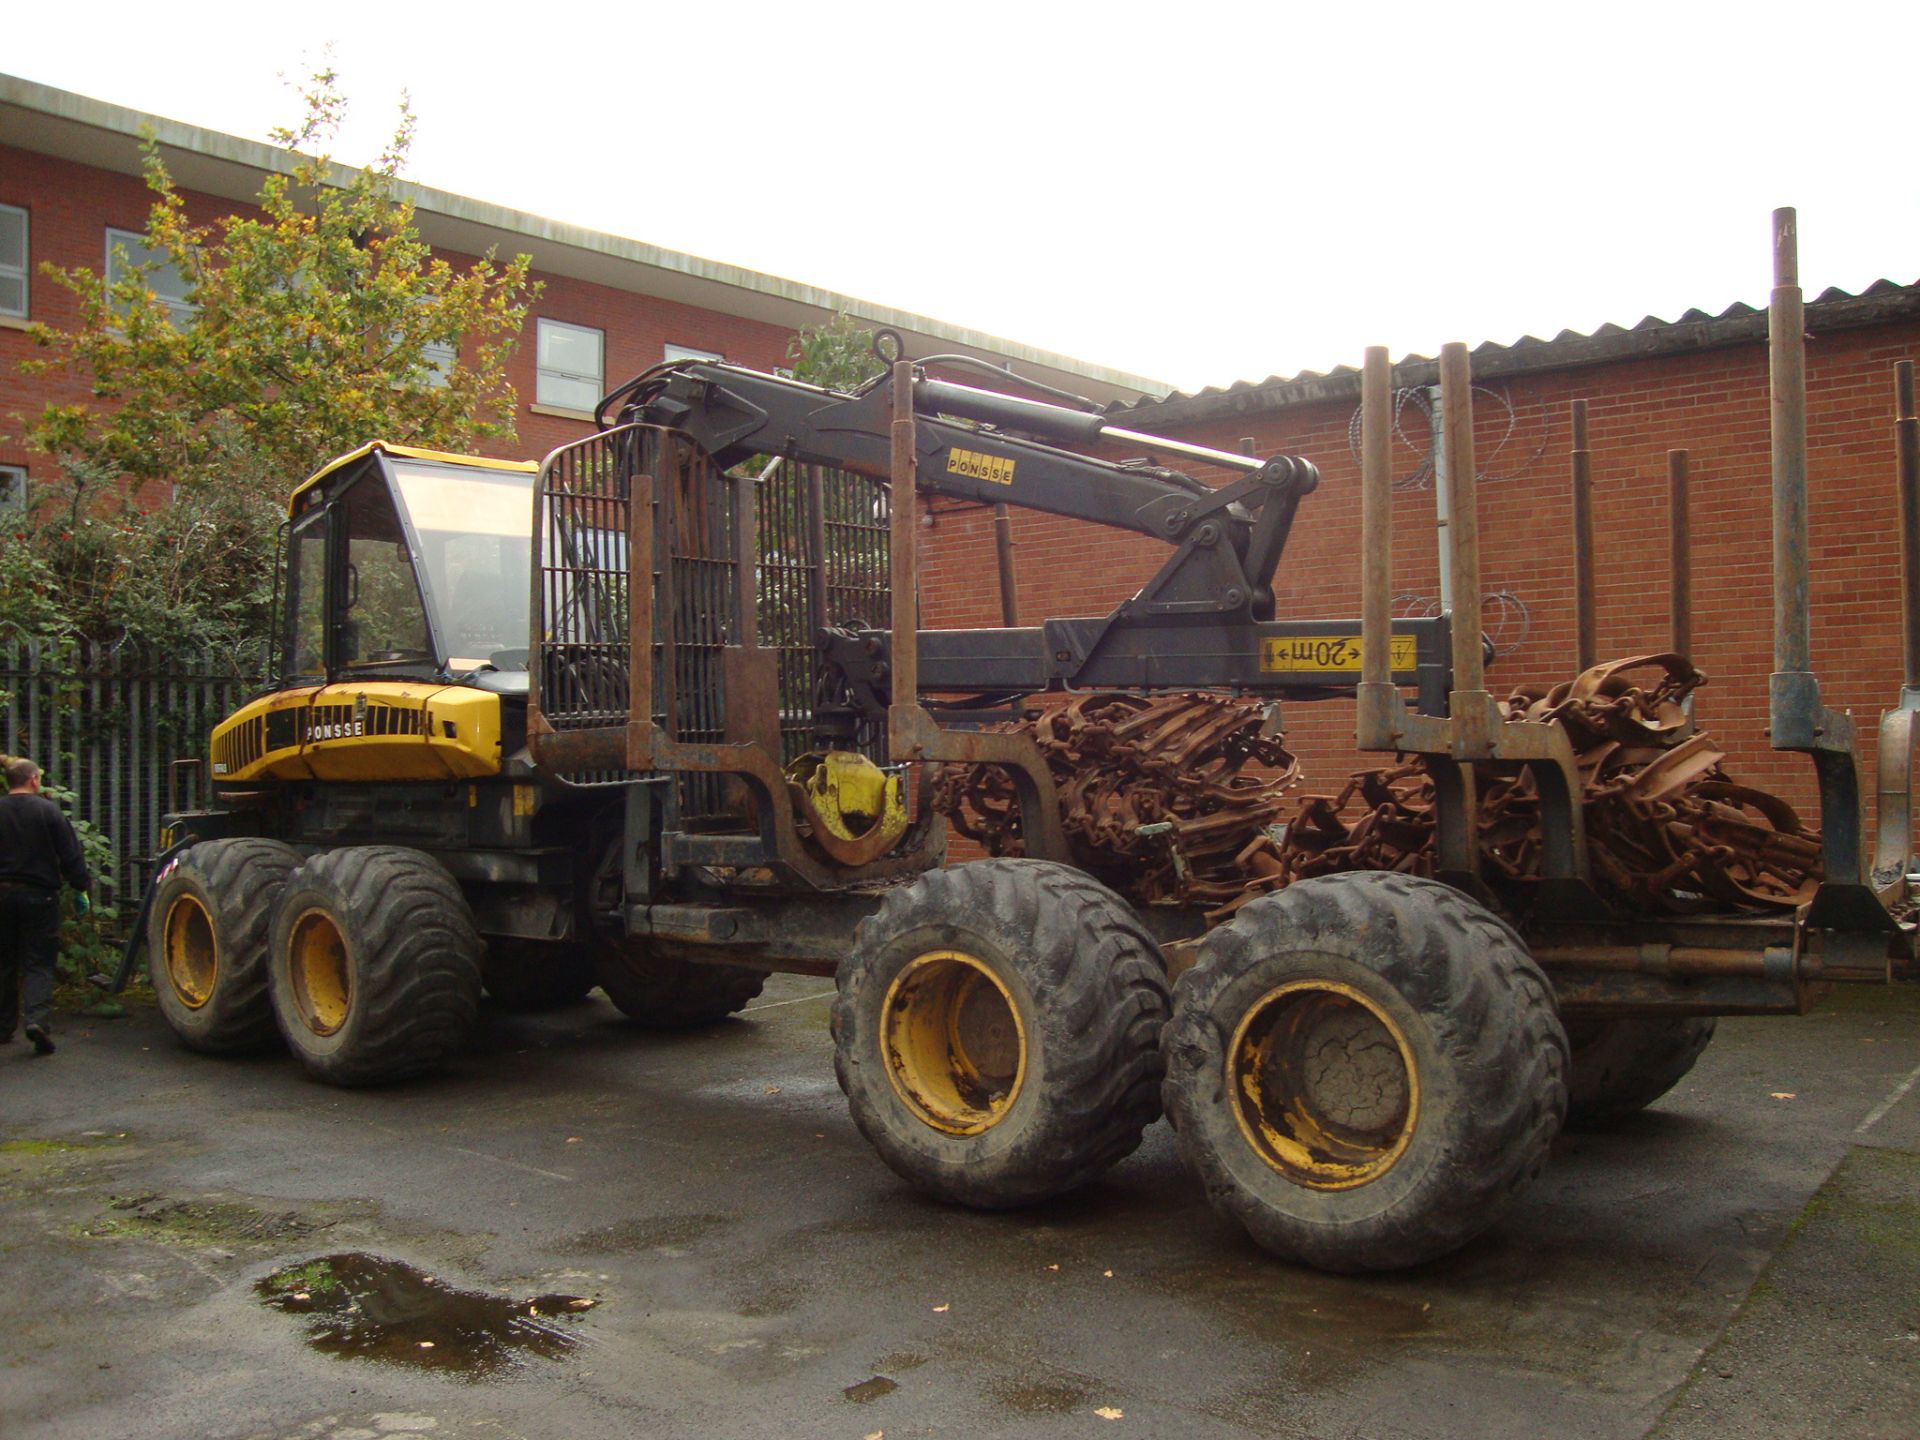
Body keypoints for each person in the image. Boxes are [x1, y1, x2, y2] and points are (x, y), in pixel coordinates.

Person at [0, 755, 92, 1056]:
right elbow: (70, 855)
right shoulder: (48, 812)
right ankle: (37, 1020)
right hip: (40, 895)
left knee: (4, 960)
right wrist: (81, 887)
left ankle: (3, 1026)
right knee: (38, 960)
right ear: (34, 780)